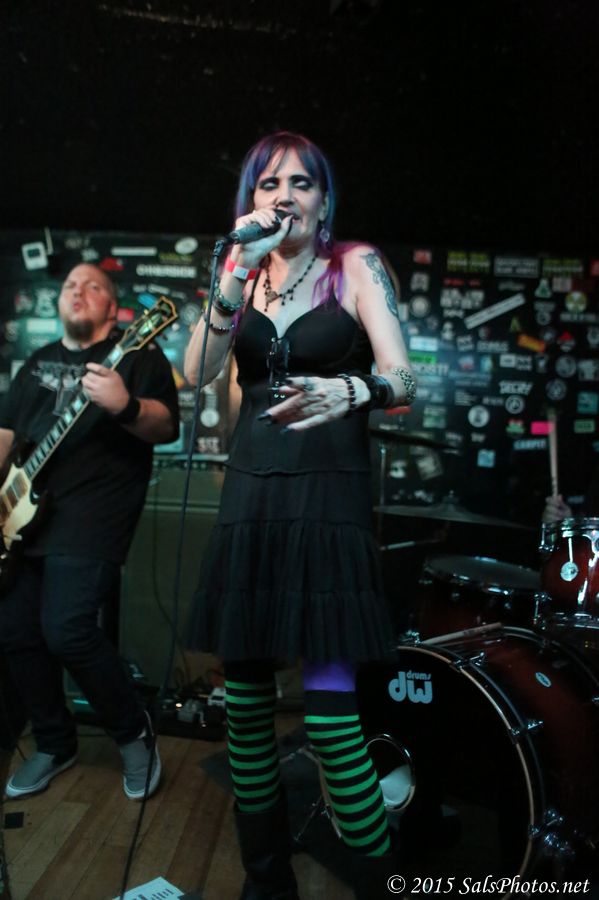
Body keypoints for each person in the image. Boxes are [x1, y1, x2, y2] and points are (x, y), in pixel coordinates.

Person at [185, 132, 416, 899]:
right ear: (250, 200)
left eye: (301, 182)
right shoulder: (243, 275)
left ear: (324, 201)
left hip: (328, 502)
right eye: (268, 183)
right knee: (246, 711)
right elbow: (199, 372)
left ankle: (379, 883)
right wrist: (232, 273)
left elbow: (405, 376)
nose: (284, 195)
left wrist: (355, 390)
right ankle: (266, 879)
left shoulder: (355, 265)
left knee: (330, 719)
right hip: (253, 499)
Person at [0, 264, 179, 801]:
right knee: (15, 630)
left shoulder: (138, 354)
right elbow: (6, 435)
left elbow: (165, 425)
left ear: (113, 307)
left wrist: (125, 405)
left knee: (67, 629)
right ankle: (55, 742)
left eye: (93, 286)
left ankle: (133, 734)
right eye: (70, 286)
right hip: (22, 517)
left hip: (93, 515)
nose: (78, 292)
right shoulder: (37, 362)